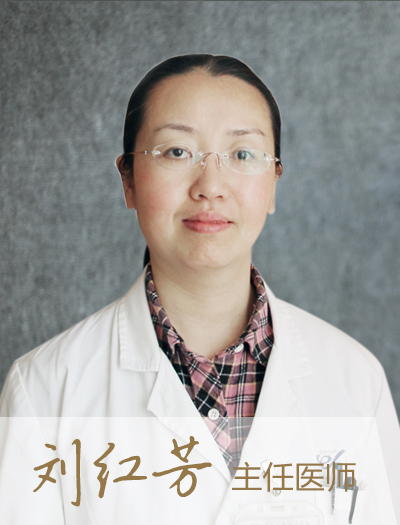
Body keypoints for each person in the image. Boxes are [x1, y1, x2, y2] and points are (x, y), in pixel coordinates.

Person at [0, 54, 399, 524]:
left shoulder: (355, 380)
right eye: (176, 152)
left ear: (274, 182)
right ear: (128, 179)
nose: (210, 186)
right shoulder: (45, 391)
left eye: (242, 154)